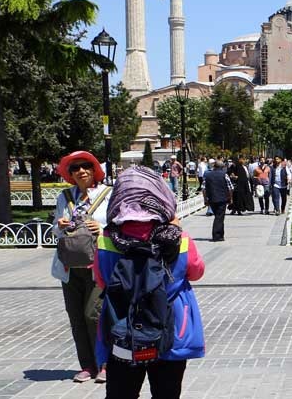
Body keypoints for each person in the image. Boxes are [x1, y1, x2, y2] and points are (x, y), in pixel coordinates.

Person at [93, 166, 205, 398]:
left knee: (121, 392)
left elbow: (102, 281)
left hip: (123, 328)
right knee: (167, 393)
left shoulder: (106, 240)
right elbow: (195, 272)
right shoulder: (179, 238)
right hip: (171, 328)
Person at [52, 151, 112, 383]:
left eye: (86, 166)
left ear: (94, 169)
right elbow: (56, 232)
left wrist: (102, 227)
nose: (81, 171)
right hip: (69, 269)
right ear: (71, 174)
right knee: (76, 317)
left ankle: (105, 363)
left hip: (97, 265)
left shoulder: (108, 195)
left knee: (94, 316)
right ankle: (87, 365)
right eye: (75, 168)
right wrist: (59, 225)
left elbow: (119, 224)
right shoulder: (64, 197)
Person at [203, 160, 232, 241]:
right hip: (222, 199)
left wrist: (205, 199)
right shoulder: (224, 175)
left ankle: (221, 235)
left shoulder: (208, 175)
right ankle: (216, 235)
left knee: (218, 216)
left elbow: (203, 189)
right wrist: (230, 198)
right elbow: (230, 188)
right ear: (221, 167)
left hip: (212, 199)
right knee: (219, 217)